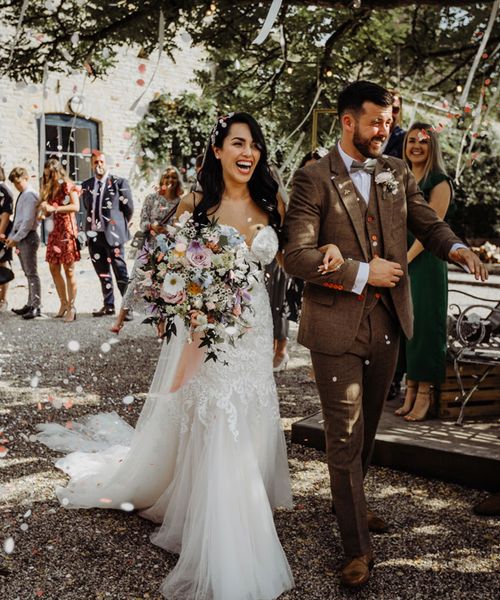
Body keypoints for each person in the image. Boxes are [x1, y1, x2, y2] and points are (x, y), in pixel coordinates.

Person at [36, 112, 294, 600]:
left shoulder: (271, 201)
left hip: (253, 328)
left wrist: (288, 318)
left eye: (255, 144)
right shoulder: (196, 203)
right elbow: (163, 265)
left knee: (250, 410)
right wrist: (144, 308)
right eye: (238, 142)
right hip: (209, 332)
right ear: (218, 150)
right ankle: (227, 530)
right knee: (218, 416)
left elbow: (285, 267)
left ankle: (229, 501)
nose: (249, 152)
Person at [283, 80, 487, 588]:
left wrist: (458, 248)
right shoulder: (313, 178)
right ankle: (356, 548)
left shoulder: (396, 173)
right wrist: (360, 272)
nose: (386, 130)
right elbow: (297, 256)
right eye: (376, 121)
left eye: (389, 121)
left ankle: (349, 502)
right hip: (336, 326)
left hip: (389, 324)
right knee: (345, 434)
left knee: (368, 428)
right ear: (348, 121)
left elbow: (425, 222)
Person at [394, 124, 453, 421]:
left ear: (433, 148)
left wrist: (405, 259)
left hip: (425, 262)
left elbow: (431, 230)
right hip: (402, 260)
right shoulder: (402, 177)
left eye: (424, 142)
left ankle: (425, 392)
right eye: (411, 140)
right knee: (407, 327)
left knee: (425, 326)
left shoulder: (439, 182)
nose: (416, 145)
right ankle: (411, 389)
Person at [110, 166, 183, 333]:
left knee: (162, 288)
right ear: (162, 181)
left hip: (168, 250)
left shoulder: (180, 202)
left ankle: (161, 327)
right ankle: (119, 321)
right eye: (167, 178)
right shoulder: (151, 199)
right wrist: (151, 226)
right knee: (135, 282)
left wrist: (168, 230)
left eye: (173, 178)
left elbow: (182, 227)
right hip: (149, 247)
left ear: (177, 181)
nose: (169, 181)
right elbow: (142, 221)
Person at [81, 151, 134, 317]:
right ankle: (108, 305)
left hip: (113, 235)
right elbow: (87, 208)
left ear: (107, 163)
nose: (99, 165)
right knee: (102, 271)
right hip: (94, 236)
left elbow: (128, 209)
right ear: (91, 164)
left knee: (120, 271)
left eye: (102, 162)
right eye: (95, 162)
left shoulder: (119, 183)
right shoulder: (87, 185)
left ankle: (127, 309)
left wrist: (117, 226)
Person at [39, 158, 81, 322]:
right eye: (47, 176)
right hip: (54, 232)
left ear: (58, 172)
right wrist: (44, 211)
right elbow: (49, 211)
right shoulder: (50, 188)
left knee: (69, 270)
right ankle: (63, 303)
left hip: (66, 232)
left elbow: (75, 206)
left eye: (52, 175)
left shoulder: (68, 185)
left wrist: (54, 208)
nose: (50, 178)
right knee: (53, 268)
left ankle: (72, 306)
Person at [5, 167, 42, 319]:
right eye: (15, 184)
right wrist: (12, 237)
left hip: (28, 237)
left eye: (19, 182)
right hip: (22, 238)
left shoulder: (30, 195)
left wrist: (16, 238)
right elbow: (19, 220)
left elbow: (27, 221)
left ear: (26, 178)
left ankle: (36, 306)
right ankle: (30, 303)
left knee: (32, 273)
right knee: (28, 273)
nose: (17, 186)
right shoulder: (23, 195)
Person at [0, 166, 14, 311]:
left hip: (1, 234)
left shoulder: (4, 191)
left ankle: (3, 300)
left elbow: (5, 216)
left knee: (2, 266)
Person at [383, 90, 406, 159]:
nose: (390, 114)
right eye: (386, 108)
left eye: (395, 110)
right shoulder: (366, 130)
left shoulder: (404, 139)